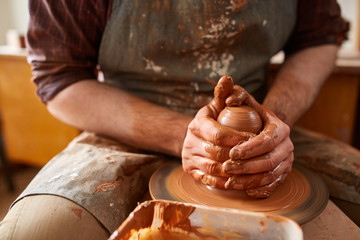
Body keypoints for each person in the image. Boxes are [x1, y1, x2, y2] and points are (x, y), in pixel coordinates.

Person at [0, 0, 349, 239]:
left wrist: (273, 121)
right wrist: (179, 133)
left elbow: (318, 38)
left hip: (264, 126)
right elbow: (59, 78)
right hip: (125, 125)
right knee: (33, 232)